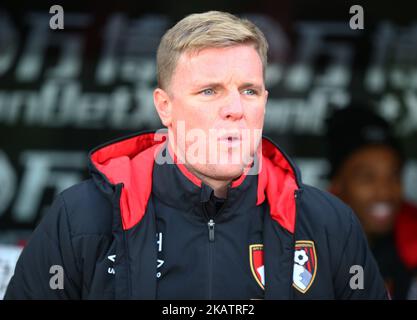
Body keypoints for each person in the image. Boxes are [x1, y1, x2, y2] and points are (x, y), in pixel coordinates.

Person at [5, 11, 387, 300]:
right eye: (210, 91)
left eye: (250, 91)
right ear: (165, 106)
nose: (235, 108)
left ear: (265, 102)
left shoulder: (328, 224)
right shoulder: (82, 217)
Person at [325, 106, 417, 299]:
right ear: (337, 185)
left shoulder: (412, 239)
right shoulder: (306, 247)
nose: (384, 192)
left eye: (393, 176)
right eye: (367, 178)